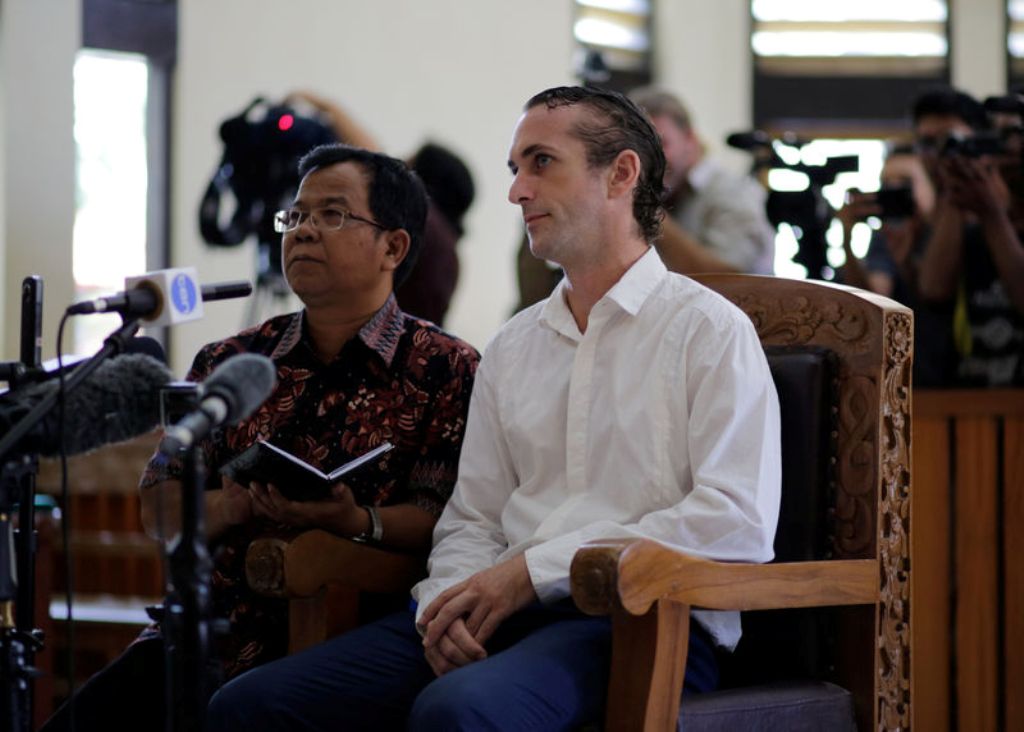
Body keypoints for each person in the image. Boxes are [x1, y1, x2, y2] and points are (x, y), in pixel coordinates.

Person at [208, 85, 781, 731]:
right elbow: (472, 518)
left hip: (641, 617)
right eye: (515, 169)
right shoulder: (514, 345)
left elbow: (735, 520)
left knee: (459, 709)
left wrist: (529, 574)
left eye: (541, 163)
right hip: (501, 608)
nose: (516, 191)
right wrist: (445, 605)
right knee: (250, 706)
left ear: (621, 173)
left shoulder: (708, 329)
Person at [40, 144, 479, 732]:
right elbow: (159, 508)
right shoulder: (230, 360)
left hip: (349, 633)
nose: (302, 232)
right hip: (203, 630)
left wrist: (354, 520)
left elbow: (444, 520)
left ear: (392, 247)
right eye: (294, 217)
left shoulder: (445, 367)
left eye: (332, 215)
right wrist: (235, 502)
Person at [287, 90, 475, 326]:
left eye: (332, 214)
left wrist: (327, 106)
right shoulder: (448, 250)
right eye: (296, 215)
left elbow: (373, 158)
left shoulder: (424, 222)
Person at [913, 86, 1024, 386]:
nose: (1008, 148)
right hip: (970, 403)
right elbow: (934, 291)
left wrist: (992, 215)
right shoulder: (971, 220)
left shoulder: (991, 217)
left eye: (1014, 134)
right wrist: (958, 182)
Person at [836, 146, 957, 386]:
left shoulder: (951, 232)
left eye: (905, 183)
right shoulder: (885, 237)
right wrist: (847, 240)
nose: (893, 191)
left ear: (932, 187)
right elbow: (872, 300)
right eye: (886, 183)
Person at [630, 86, 776, 276]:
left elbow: (727, 276)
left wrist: (649, 211)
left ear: (690, 139)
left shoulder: (732, 192)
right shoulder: (667, 191)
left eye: (662, 144)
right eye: (637, 147)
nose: (649, 158)